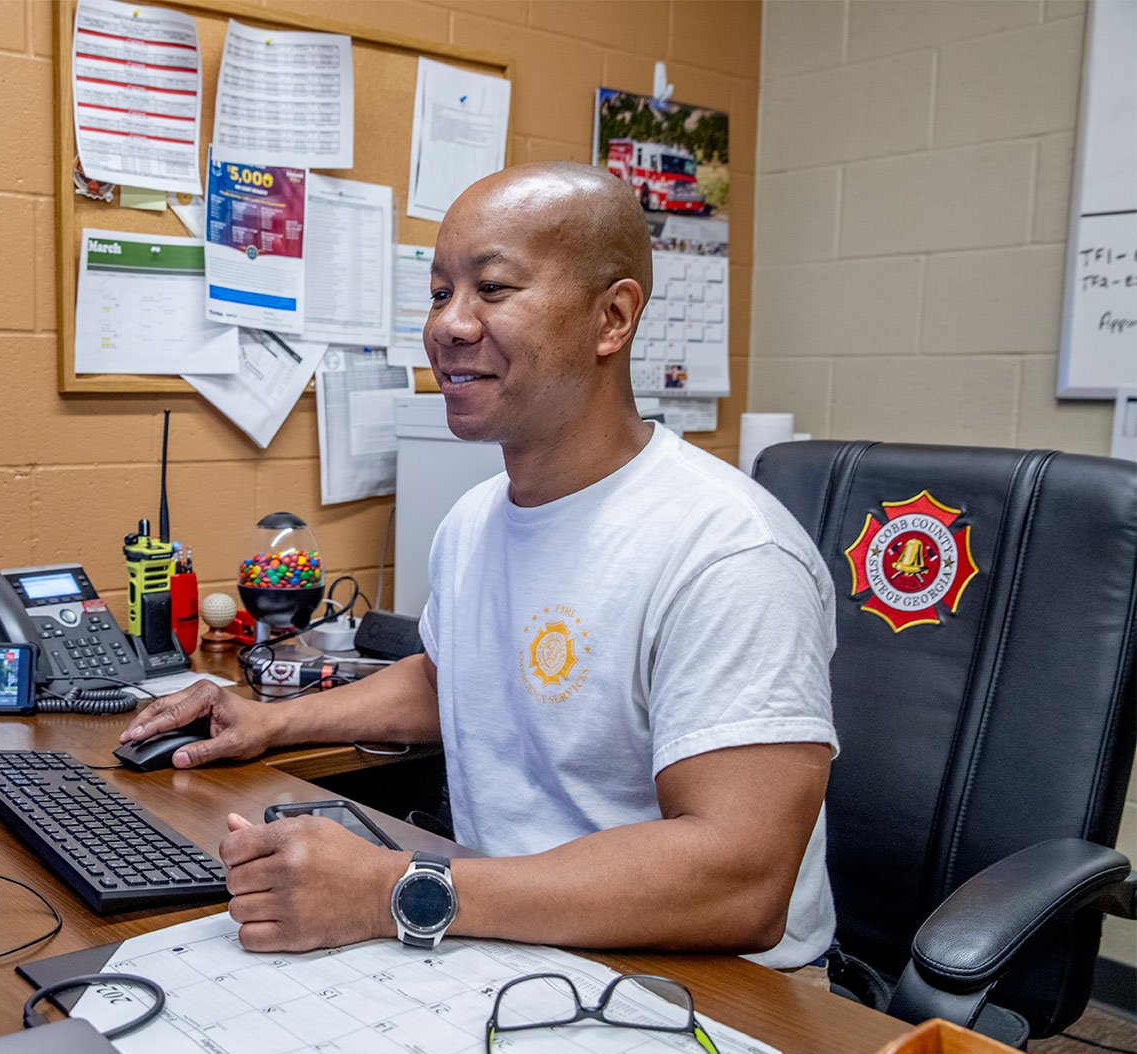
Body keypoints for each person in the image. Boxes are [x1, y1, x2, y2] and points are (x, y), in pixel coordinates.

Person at [122, 162, 838, 972]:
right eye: (437, 292)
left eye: (491, 288)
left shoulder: (727, 549)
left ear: (612, 317)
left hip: (708, 984)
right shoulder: (473, 524)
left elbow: (738, 881)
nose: (448, 326)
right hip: (514, 937)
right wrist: (266, 720)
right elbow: (454, 679)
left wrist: (394, 887)